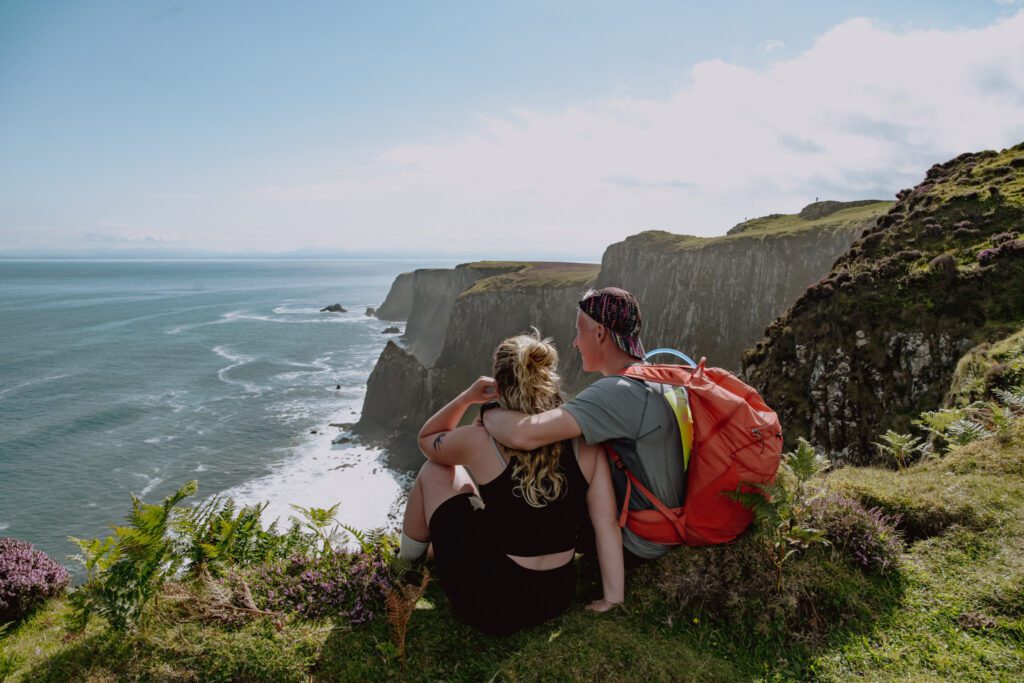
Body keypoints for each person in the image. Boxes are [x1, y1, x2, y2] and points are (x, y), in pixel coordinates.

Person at [399, 330, 624, 635]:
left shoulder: (480, 440)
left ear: (499, 385)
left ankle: (405, 563)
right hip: (556, 597)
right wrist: (612, 599)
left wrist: (468, 398)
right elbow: (606, 524)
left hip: (493, 603)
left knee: (435, 470)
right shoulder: (586, 445)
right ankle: (426, 555)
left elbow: (426, 439)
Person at [482, 287, 686, 568]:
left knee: (547, 488)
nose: (576, 343)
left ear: (600, 333)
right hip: (671, 524)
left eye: (580, 332)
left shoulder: (617, 392)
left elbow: (525, 434)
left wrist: (487, 412)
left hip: (640, 544)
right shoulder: (659, 378)